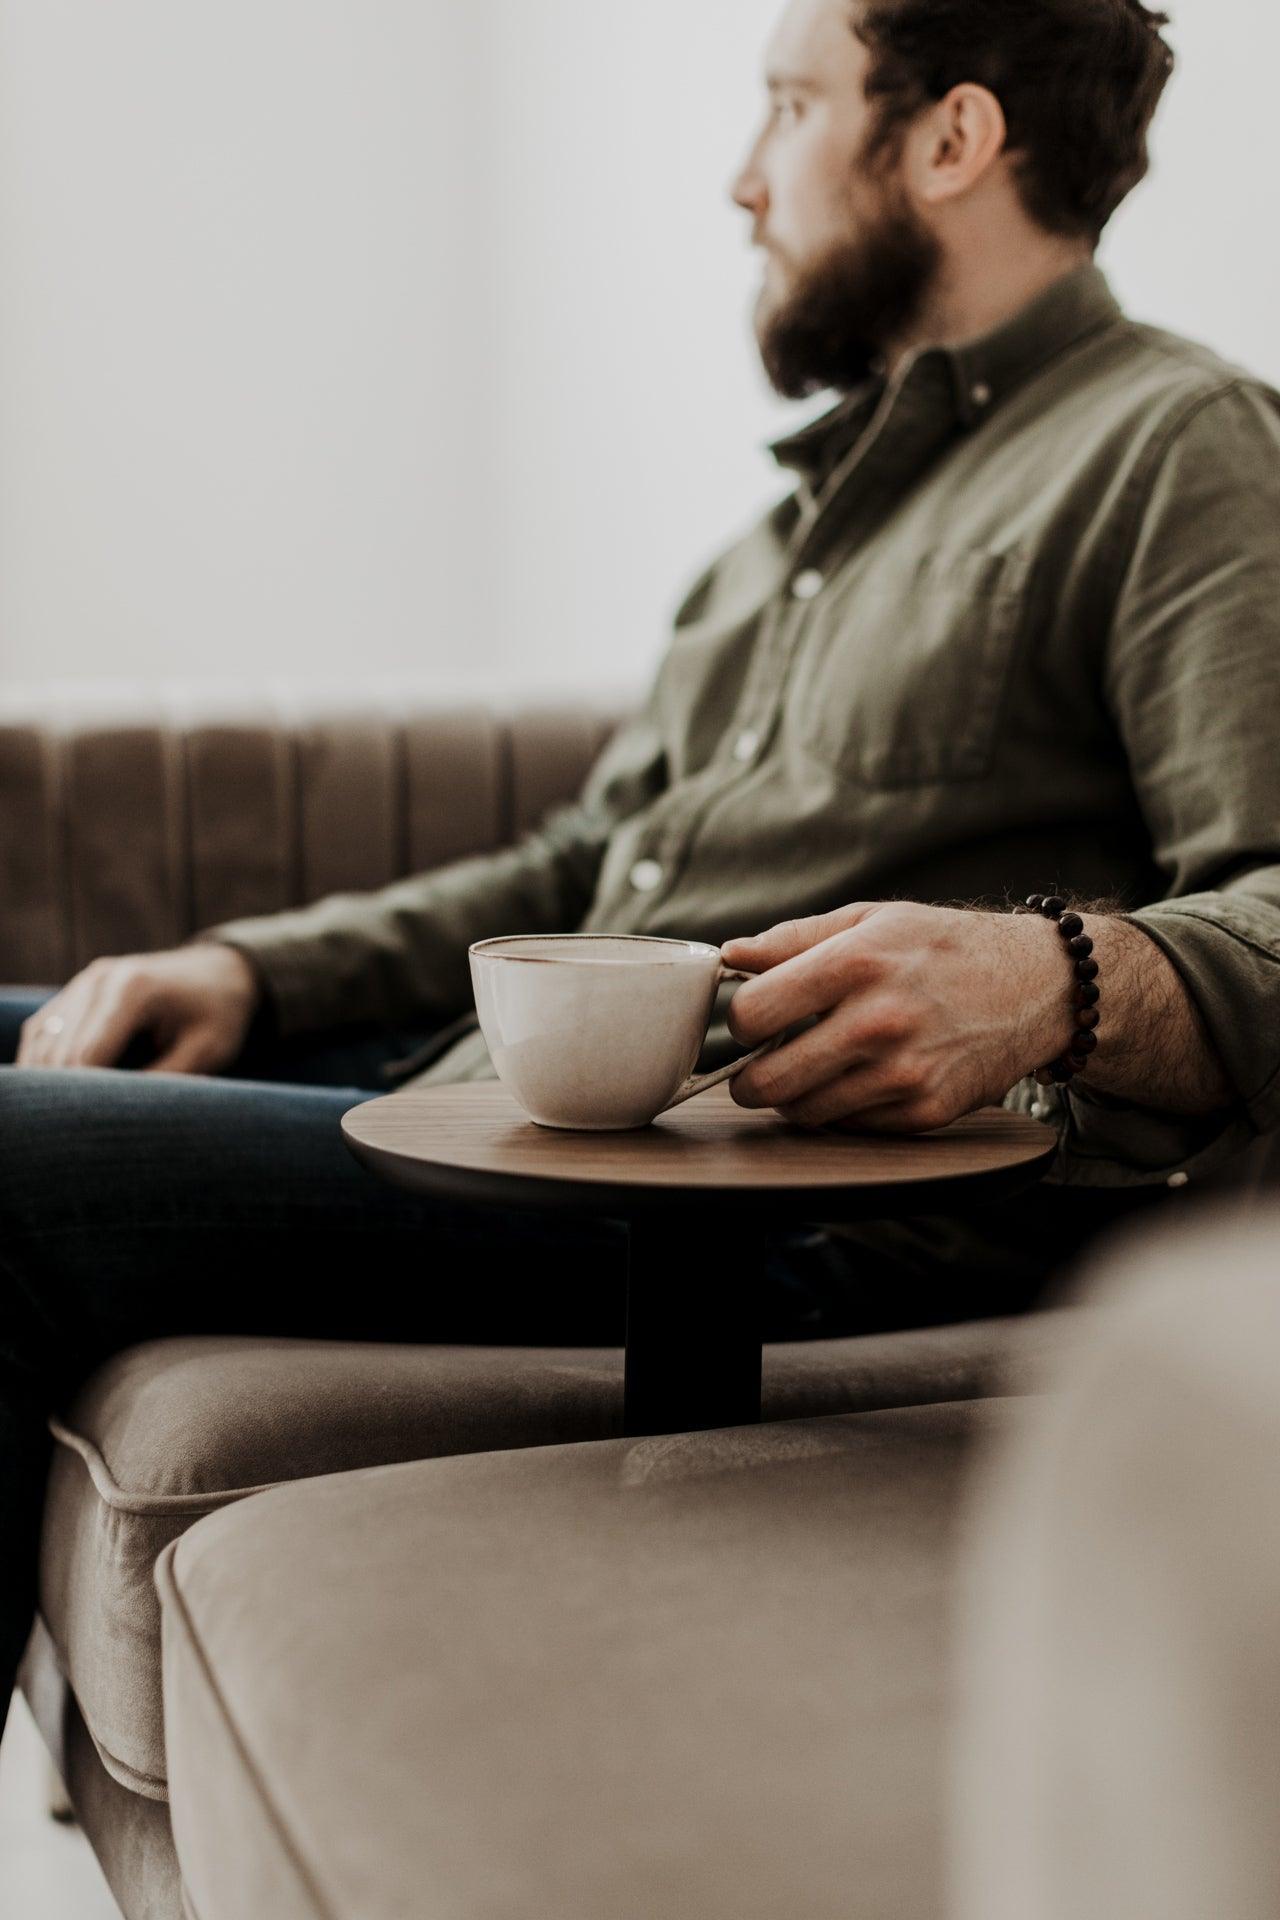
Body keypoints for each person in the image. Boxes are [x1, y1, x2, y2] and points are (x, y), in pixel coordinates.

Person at [3, 0, 1279, 1740]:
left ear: (950, 140)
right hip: (506, 1107)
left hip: (747, 1210)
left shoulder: (1177, 448)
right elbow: (580, 862)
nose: (742, 182)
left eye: (786, 108)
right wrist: (255, 971)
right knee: (23, 1027)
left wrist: (1050, 981)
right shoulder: (786, 542)